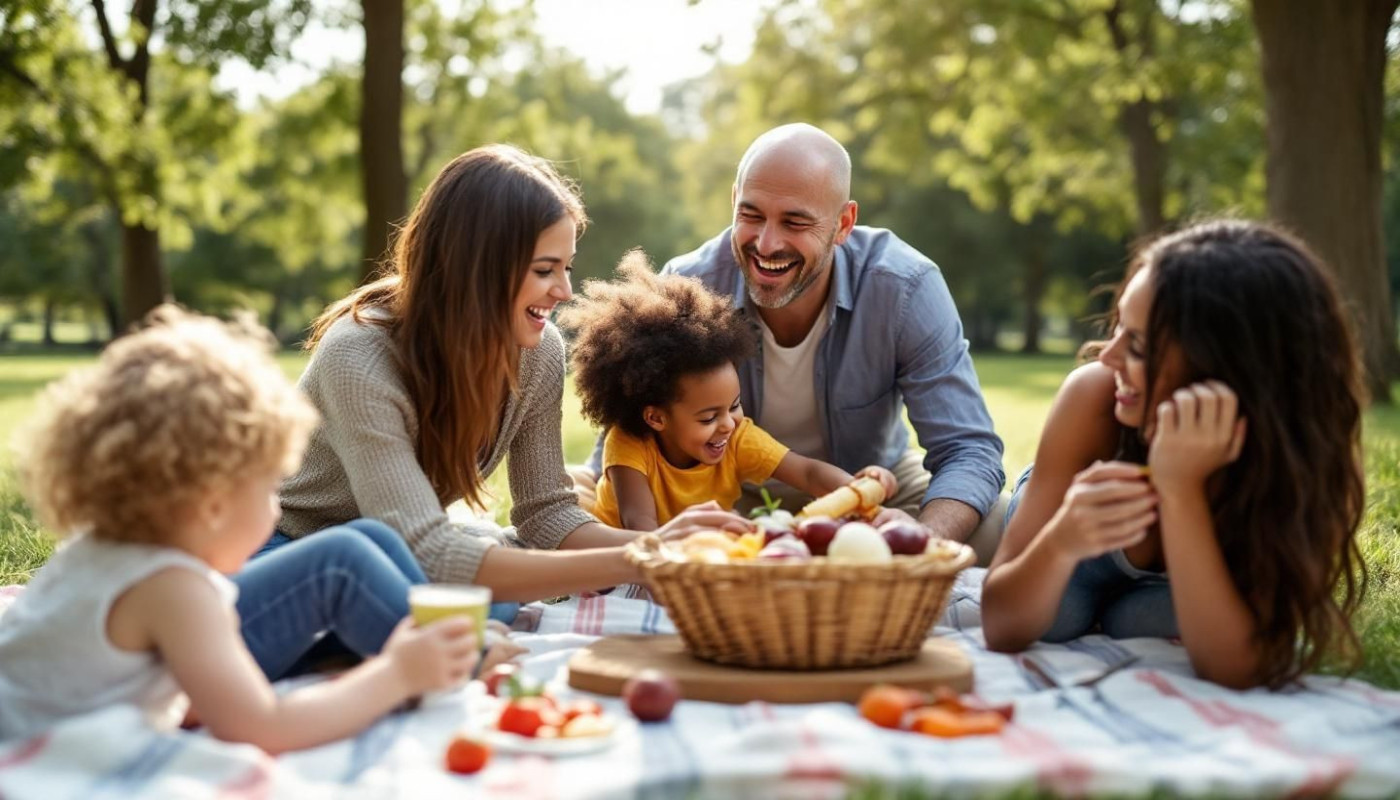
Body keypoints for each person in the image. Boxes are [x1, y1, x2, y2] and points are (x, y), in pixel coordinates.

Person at [275, 144, 752, 604]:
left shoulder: (537, 351)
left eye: (567, 267)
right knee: (489, 594)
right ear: (477, 268)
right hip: (296, 553)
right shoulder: (359, 356)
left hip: (399, 554)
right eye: (545, 270)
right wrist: (640, 555)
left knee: (500, 587)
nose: (565, 291)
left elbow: (547, 513)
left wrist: (665, 544)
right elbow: (429, 553)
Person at [0, 308, 479, 748]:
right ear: (212, 506)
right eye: (271, 487)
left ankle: (462, 638)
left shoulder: (104, 546)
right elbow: (263, 727)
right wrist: (395, 674)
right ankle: (461, 657)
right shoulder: (176, 590)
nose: (277, 506)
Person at [575, 123, 1005, 561]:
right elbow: (624, 442)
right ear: (733, 202)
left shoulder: (904, 288)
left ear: (843, 223)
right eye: (752, 215)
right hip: (719, 499)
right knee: (571, 500)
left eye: (795, 222)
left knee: (1000, 520)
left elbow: (968, 450)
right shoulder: (688, 288)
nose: (766, 244)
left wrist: (922, 540)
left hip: (864, 490)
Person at [980, 220, 1367, 690]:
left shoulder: (1285, 461)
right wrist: (1061, 539)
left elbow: (1238, 666)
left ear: (1224, 365)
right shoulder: (1095, 400)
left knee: (1144, 621)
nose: (1108, 356)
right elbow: (1001, 625)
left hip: (1167, 582)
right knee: (1060, 615)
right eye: (1119, 325)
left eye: (1138, 345)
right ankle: (1001, 523)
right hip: (1069, 532)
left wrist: (1181, 491)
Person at [558, 251, 898, 530]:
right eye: (708, 417)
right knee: (572, 499)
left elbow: (807, 472)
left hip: (699, 553)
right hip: (630, 553)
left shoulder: (736, 437)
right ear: (656, 417)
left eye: (734, 406)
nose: (728, 424)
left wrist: (854, 489)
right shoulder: (630, 445)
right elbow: (640, 524)